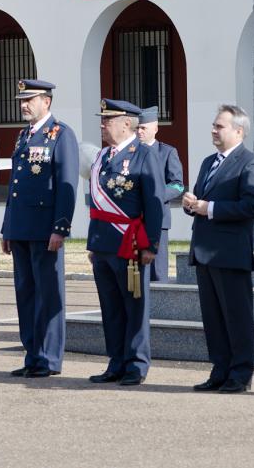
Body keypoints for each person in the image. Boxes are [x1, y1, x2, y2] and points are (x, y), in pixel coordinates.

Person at [182, 104, 254, 394]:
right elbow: (202, 200)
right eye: (214, 125)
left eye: (220, 126)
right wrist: (192, 205)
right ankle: (220, 369)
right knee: (213, 317)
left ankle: (240, 374)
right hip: (205, 250)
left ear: (238, 131)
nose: (213, 130)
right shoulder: (208, 162)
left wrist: (210, 208)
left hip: (230, 253)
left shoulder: (249, 163)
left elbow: (251, 206)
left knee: (236, 317)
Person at [1, 79, 79, 378]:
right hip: (21, 229)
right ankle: (32, 354)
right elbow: (15, 187)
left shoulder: (60, 135)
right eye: (21, 99)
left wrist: (60, 227)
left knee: (48, 294)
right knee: (26, 294)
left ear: (46, 101)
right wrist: (8, 228)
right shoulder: (23, 135)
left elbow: (66, 184)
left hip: (45, 230)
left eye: (29, 99)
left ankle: (49, 358)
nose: (23, 104)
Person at [87, 98, 164, 386]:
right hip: (103, 243)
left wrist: (151, 245)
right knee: (110, 307)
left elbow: (153, 204)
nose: (103, 125)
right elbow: (96, 204)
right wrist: (93, 244)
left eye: (108, 120)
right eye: (103, 120)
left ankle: (136, 364)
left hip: (130, 244)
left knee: (134, 306)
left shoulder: (144, 155)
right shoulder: (102, 157)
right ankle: (116, 361)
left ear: (127, 123)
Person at [137, 106, 184, 283]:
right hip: (133, 220)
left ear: (155, 128)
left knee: (157, 270)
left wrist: (154, 196)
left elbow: (178, 186)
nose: (139, 131)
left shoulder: (167, 152)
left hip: (157, 220)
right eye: (137, 128)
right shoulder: (131, 153)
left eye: (143, 128)